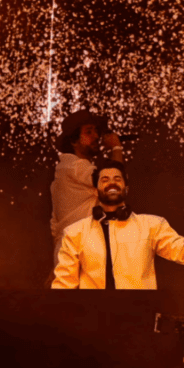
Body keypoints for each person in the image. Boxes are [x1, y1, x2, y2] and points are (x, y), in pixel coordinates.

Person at [51, 160, 184, 289]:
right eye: (104, 179)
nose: (111, 182)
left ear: (126, 188)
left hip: (140, 312)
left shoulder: (152, 225)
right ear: (95, 190)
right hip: (92, 315)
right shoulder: (74, 232)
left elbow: (181, 251)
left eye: (117, 179)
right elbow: (64, 285)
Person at [50, 110, 124, 263]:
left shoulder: (68, 169)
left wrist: (56, 262)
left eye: (96, 131)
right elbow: (115, 182)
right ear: (73, 140)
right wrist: (116, 148)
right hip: (78, 249)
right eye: (88, 132)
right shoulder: (73, 166)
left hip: (73, 249)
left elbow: (56, 225)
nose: (96, 136)